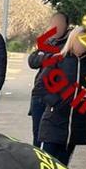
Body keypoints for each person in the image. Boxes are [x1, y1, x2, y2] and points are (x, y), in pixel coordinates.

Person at [36, 28, 86, 166]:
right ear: (72, 40)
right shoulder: (58, 60)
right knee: (46, 167)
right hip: (54, 122)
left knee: (63, 168)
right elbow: (40, 88)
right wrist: (56, 103)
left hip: (76, 124)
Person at [28, 12, 70, 148]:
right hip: (39, 95)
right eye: (53, 23)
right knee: (37, 135)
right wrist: (46, 58)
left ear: (66, 26)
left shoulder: (69, 44)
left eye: (60, 23)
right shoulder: (47, 41)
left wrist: (44, 56)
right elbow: (32, 61)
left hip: (54, 97)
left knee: (49, 139)